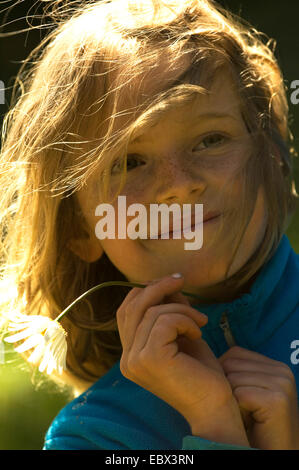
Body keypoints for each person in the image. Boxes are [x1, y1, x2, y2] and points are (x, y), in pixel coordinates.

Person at [0, 0, 298, 450]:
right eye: (129, 162)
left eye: (210, 139)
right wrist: (215, 425)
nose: (178, 187)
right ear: (78, 226)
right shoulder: (94, 435)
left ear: (272, 156)